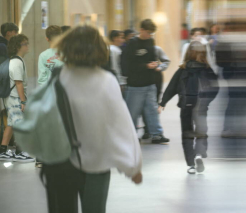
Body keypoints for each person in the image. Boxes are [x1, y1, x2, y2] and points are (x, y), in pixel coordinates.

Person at [43, 25, 142, 213]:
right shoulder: (106, 80)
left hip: (61, 163)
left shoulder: (58, 78)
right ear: (98, 49)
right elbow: (121, 126)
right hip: (97, 162)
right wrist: (132, 166)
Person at [159, 41, 219, 174]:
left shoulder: (182, 70)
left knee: (187, 132)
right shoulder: (207, 70)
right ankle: (199, 153)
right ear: (203, 54)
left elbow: (171, 87)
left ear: (188, 53)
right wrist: (207, 101)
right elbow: (216, 88)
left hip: (186, 105)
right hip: (201, 105)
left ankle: (191, 164)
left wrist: (163, 103)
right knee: (201, 130)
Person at [121, 19, 169, 143]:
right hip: (136, 84)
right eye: (148, 32)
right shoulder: (132, 44)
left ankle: (156, 133)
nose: (149, 35)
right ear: (141, 30)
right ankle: (130, 135)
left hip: (150, 82)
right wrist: (145, 66)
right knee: (133, 112)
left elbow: (152, 57)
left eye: (151, 33)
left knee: (152, 110)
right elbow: (127, 65)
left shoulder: (150, 41)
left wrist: (154, 64)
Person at [0, 34, 35, 162]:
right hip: (15, 98)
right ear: (18, 46)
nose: (27, 46)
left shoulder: (16, 60)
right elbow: (19, 83)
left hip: (11, 97)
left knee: (11, 124)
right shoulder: (17, 62)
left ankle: (2, 151)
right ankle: (19, 151)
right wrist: (23, 101)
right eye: (25, 44)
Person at [141, 45, 171, 140]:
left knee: (153, 104)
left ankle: (152, 130)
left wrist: (159, 68)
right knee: (143, 104)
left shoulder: (156, 49)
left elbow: (166, 61)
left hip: (155, 77)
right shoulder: (139, 50)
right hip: (141, 78)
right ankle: (147, 129)